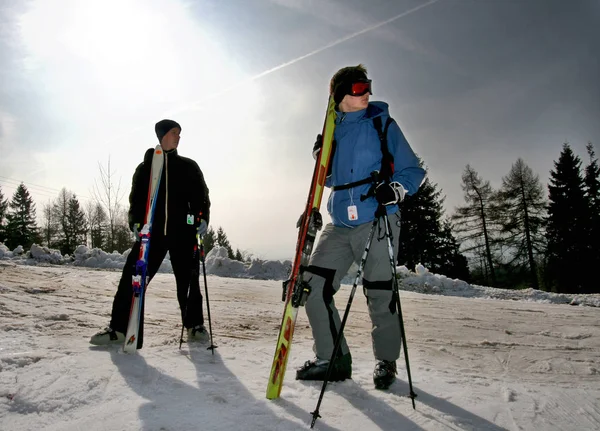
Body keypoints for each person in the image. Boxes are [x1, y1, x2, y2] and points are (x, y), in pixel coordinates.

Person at [295, 65, 426, 389]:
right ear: (339, 95)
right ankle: (332, 358)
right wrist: (320, 162)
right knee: (313, 287)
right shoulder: (330, 133)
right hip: (339, 223)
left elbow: (413, 170)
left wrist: (396, 189)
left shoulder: (382, 124)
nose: (366, 92)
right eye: (357, 87)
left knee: (379, 291)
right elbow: (325, 180)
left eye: (368, 86)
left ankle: (386, 361)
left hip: (376, 217)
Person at [90, 119, 211, 348]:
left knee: (189, 281)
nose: (178, 137)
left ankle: (194, 325)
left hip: (182, 234)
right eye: (174, 133)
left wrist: (203, 218)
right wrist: (135, 222)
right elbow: (135, 200)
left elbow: (202, 197)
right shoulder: (146, 168)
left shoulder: (189, 166)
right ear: (163, 135)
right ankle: (118, 328)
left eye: (179, 134)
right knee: (132, 278)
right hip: (151, 235)